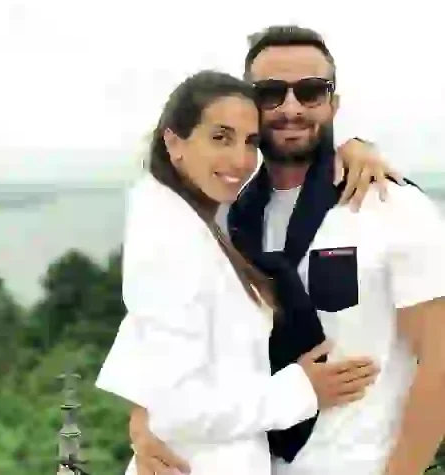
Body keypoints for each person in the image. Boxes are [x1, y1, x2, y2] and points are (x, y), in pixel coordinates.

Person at [129, 26, 445, 475]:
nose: (291, 108)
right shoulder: (225, 218)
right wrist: (144, 422)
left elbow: (439, 358)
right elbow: (157, 331)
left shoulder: (390, 205)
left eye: (310, 92)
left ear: (333, 103)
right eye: (271, 93)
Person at [95, 70, 381, 475]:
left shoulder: (199, 217)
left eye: (250, 142)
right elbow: (178, 409)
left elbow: (146, 329)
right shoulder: (173, 241)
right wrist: (302, 391)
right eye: (220, 138)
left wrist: (353, 148)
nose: (241, 160)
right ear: (174, 142)